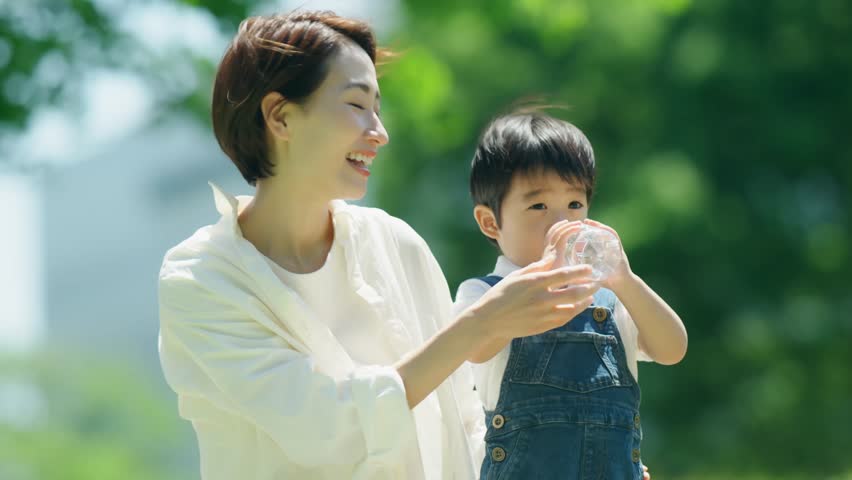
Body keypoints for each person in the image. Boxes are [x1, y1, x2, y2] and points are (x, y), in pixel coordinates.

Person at [157, 11, 599, 480]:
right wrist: (481, 323)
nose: (379, 132)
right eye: (355, 105)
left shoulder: (395, 243)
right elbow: (324, 429)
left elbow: (468, 425)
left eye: (377, 108)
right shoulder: (201, 279)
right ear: (281, 117)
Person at [453, 111, 688, 479]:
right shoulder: (484, 294)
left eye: (575, 205)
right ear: (490, 222)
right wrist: (534, 284)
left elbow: (672, 348)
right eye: (538, 206)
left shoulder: (607, 299)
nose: (561, 222)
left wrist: (627, 281)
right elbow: (475, 348)